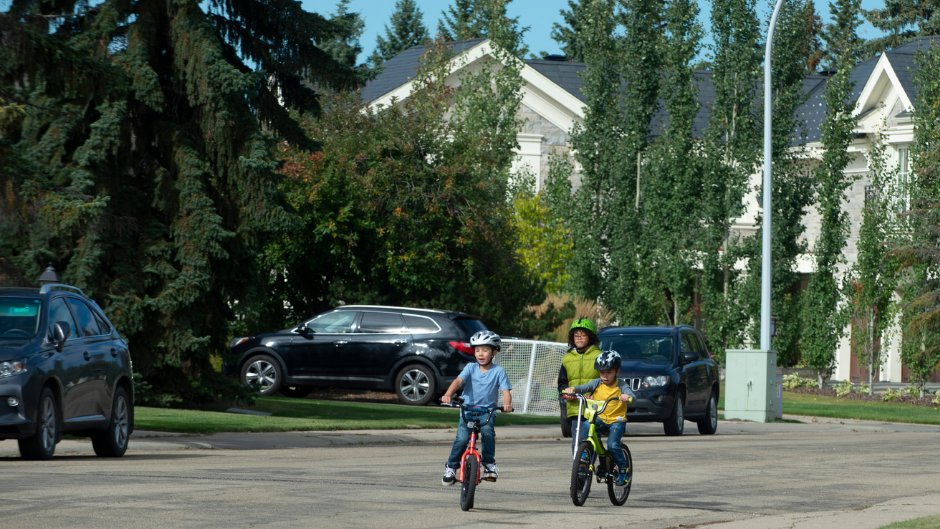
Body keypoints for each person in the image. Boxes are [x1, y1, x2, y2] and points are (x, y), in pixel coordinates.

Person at [440, 330, 513, 485]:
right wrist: (448, 394)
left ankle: (489, 465)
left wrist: (507, 404)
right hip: (467, 410)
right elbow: (458, 381)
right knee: (461, 439)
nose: (480, 354)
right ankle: (451, 468)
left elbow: (506, 391)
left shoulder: (498, 371)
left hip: (487, 412)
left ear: (494, 352)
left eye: (485, 350)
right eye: (477, 350)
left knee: (487, 433)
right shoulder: (470, 368)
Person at [562, 350, 636, 486]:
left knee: (613, 445)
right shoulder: (596, 383)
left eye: (609, 372)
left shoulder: (621, 385)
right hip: (600, 418)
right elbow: (583, 387)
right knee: (586, 426)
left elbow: (632, 396)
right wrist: (572, 389)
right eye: (602, 372)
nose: (605, 376)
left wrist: (627, 397)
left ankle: (624, 469)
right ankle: (586, 453)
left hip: (616, 420)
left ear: (617, 371)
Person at [557, 317, 602, 448]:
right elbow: (562, 382)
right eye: (576, 335)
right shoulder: (567, 358)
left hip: (594, 407)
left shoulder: (599, 356)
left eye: (583, 335)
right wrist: (566, 393)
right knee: (577, 442)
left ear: (591, 337)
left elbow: (605, 380)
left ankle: (595, 464)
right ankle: (580, 468)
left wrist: (596, 394)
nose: (579, 338)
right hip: (575, 407)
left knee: (592, 439)